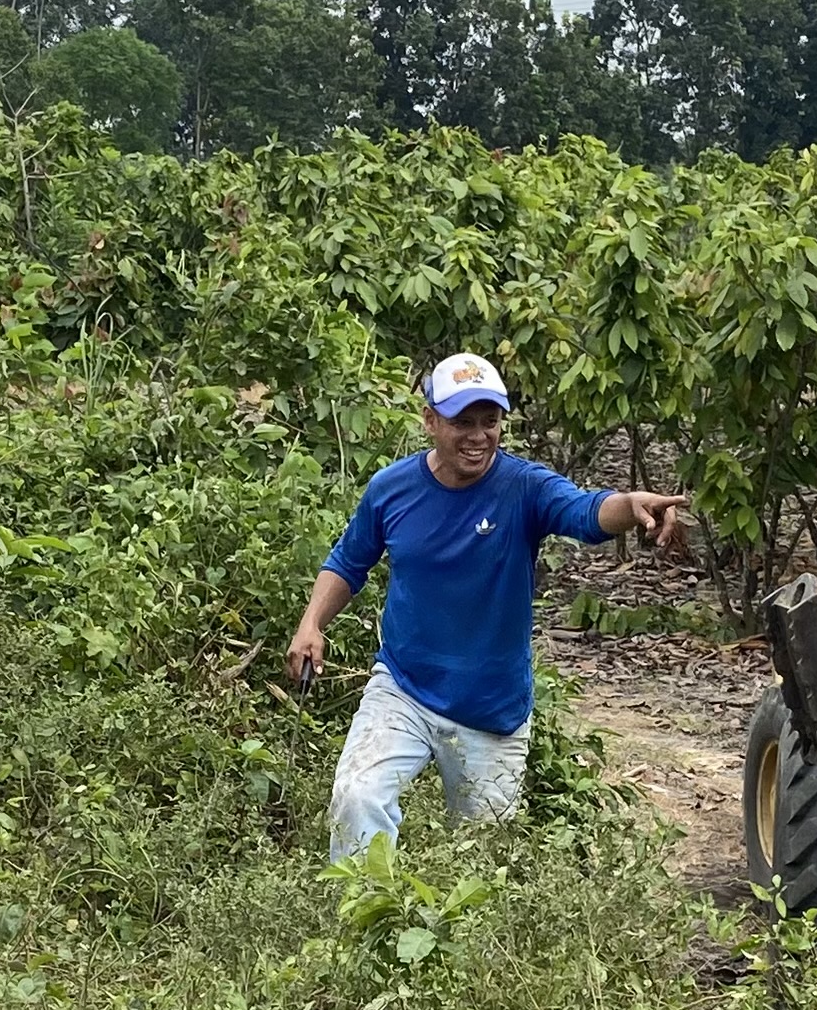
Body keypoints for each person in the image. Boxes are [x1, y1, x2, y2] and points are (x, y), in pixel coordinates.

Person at [287, 352, 690, 860]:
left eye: (490, 421)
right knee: (357, 796)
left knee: (481, 858)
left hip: (491, 709)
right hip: (404, 687)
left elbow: (585, 511)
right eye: (463, 422)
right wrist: (311, 623)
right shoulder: (392, 489)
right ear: (430, 420)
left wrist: (629, 506)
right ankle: (366, 904)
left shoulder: (524, 487)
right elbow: (348, 562)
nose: (478, 436)